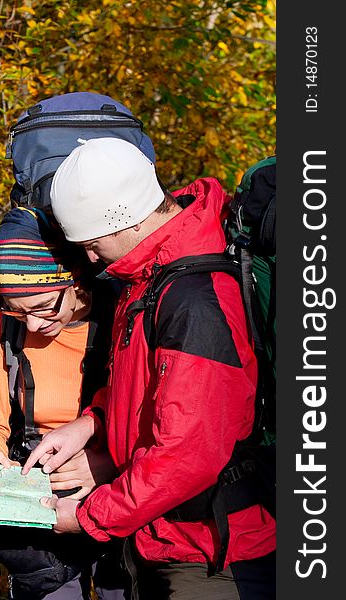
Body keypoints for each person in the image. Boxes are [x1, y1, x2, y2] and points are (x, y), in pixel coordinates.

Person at [22, 138, 277, 599]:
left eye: (93, 244)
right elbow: (144, 389)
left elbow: (189, 453)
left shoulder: (195, 300)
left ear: (126, 219)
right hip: (161, 537)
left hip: (212, 555)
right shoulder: (150, 277)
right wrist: (89, 425)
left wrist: (89, 517)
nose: (92, 259)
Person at [0, 205, 130, 600]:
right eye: (19, 312)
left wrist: (107, 464)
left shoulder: (123, 316)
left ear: (76, 283)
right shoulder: (7, 327)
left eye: (43, 307)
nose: (35, 325)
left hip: (120, 492)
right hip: (37, 505)